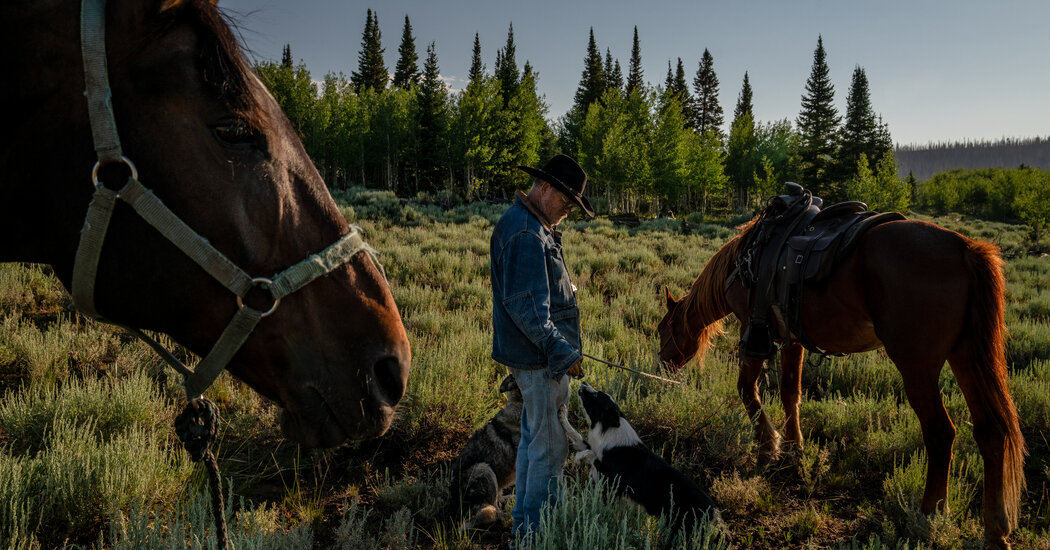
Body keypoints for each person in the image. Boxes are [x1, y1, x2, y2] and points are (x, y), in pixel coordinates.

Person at [490, 154, 593, 544]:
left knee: (535, 442)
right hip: (540, 361)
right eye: (565, 204)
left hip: (536, 359)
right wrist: (563, 352)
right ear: (545, 187)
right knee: (549, 450)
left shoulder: (529, 225)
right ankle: (536, 535)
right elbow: (528, 308)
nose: (566, 213)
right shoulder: (526, 233)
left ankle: (524, 525)